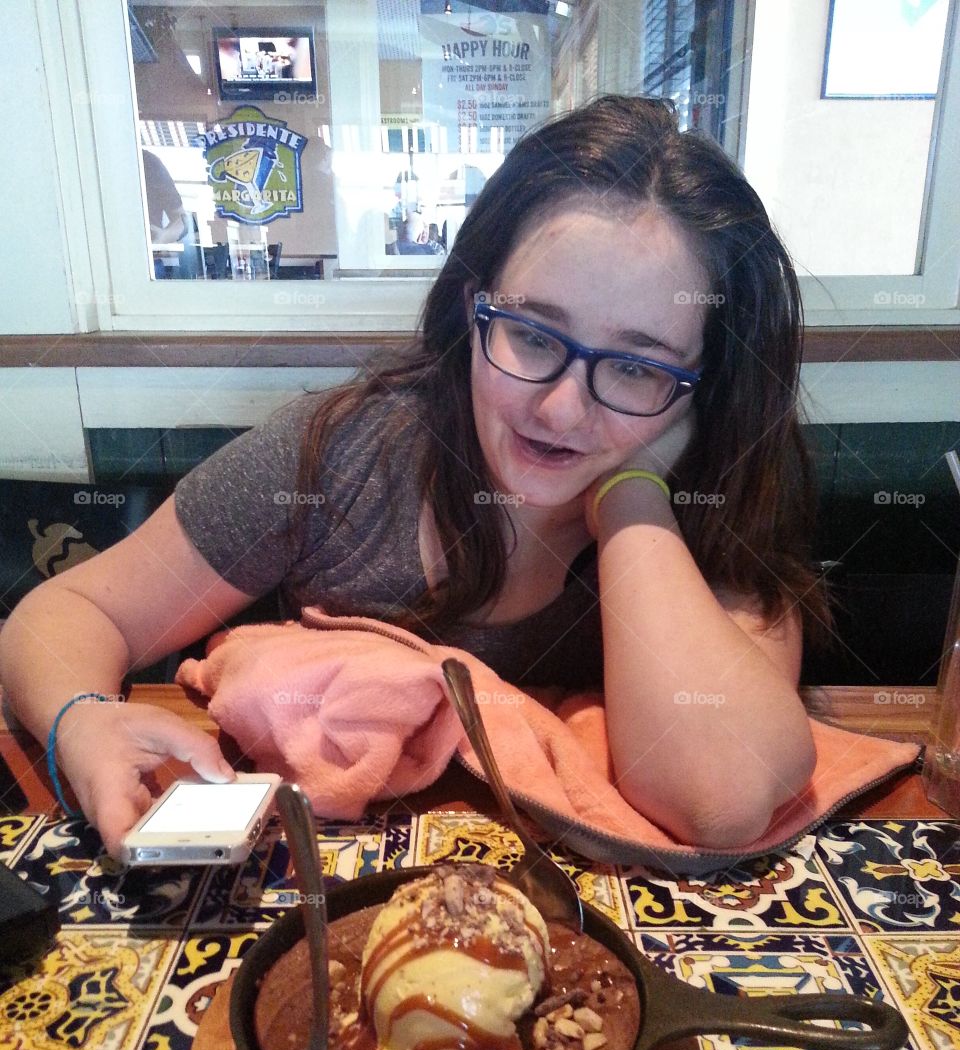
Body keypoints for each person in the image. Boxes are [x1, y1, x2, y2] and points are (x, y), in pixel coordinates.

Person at [0, 95, 827, 859]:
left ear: (705, 385)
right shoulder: (339, 453)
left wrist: (633, 498)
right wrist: (82, 721)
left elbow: (719, 800)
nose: (562, 409)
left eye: (638, 369)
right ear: (473, 308)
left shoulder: (718, 498)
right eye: (533, 336)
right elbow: (71, 611)